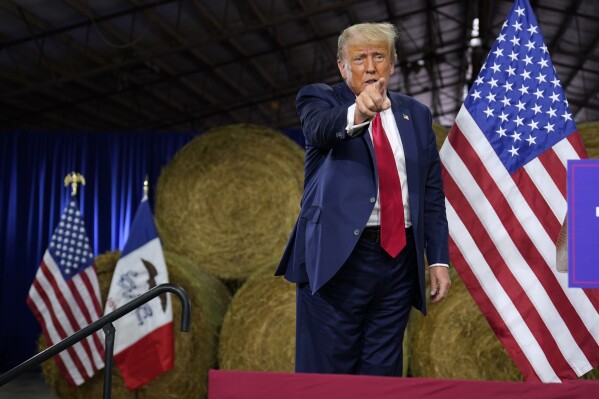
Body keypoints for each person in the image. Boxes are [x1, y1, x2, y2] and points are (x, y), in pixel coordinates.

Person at [275, 22, 451, 376]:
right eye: (359, 58)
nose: (370, 66)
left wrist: (438, 260)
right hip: (336, 262)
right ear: (343, 67)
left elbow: (430, 192)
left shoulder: (416, 115)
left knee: (382, 374)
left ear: (392, 63)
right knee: (326, 375)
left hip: (399, 263)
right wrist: (359, 112)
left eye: (378, 56)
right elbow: (320, 129)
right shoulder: (319, 99)